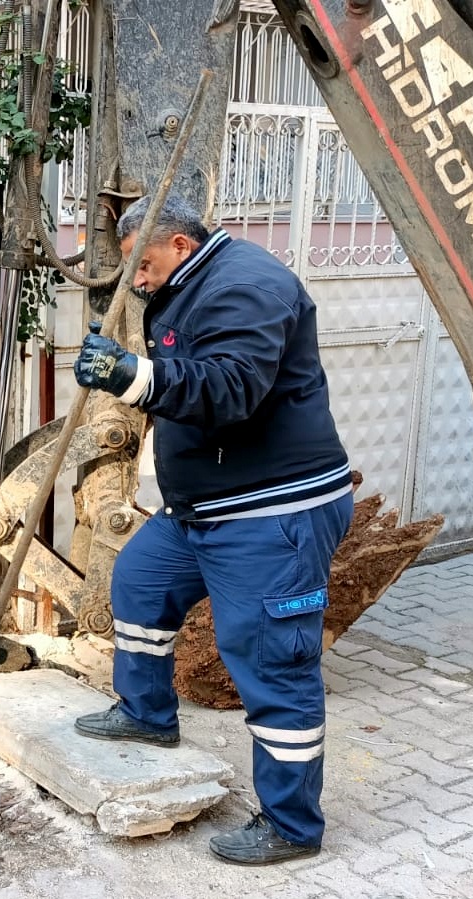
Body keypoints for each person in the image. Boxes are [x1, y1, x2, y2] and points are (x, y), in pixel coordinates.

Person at [71, 195, 354, 864]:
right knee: (139, 583)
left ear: (176, 245)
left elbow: (230, 390)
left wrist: (131, 375)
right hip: (203, 508)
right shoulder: (188, 283)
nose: (133, 279)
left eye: (141, 264)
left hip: (269, 513)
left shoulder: (248, 287)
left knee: (268, 659)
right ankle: (145, 714)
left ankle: (291, 825)